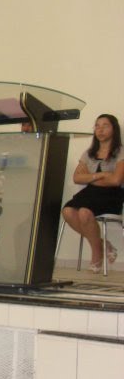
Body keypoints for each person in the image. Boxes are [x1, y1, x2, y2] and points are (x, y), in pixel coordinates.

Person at [62, 113, 124, 274]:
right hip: (90, 193)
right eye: (97, 126)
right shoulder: (89, 153)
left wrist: (90, 178)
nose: (100, 130)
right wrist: (101, 175)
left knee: (84, 213)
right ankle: (103, 245)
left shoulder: (120, 152)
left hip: (112, 195)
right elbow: (77, 178)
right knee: (67, 211)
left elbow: (116, 180)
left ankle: (96, 255)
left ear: (114, 129)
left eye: (105, 126)